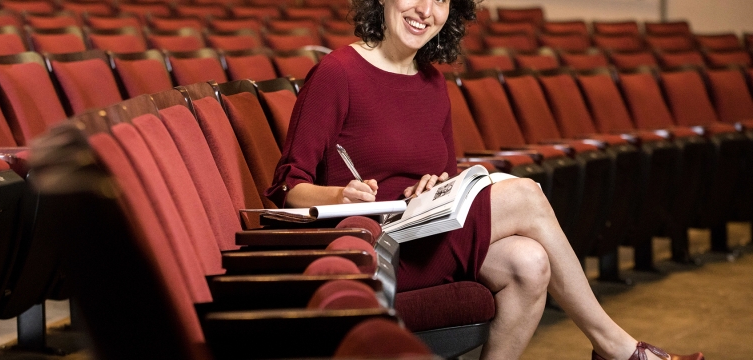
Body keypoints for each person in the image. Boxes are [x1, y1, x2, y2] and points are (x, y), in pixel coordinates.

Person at [264, 0, 705, 358]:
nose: (424, 9)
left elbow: (439, 174)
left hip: (423, 235)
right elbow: (289, 189)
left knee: (530, 263)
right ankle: (617, 348)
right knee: (527, 194)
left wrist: (434, 184)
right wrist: (340, 193)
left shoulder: (433, 83)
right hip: (374, 246)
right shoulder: (338, 73)